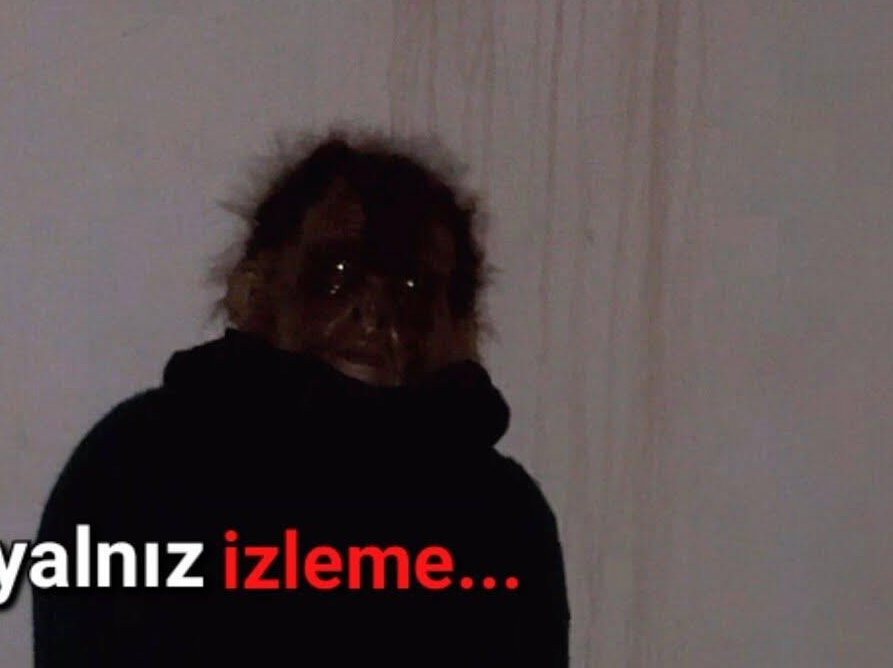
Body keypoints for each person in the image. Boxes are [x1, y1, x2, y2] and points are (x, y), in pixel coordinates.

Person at [33, 133, 570, 665]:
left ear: (457, 321)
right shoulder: (143, 466)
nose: (373, 315)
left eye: (410, 290)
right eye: (336, 277)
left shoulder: (498, 517)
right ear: (259, 288)